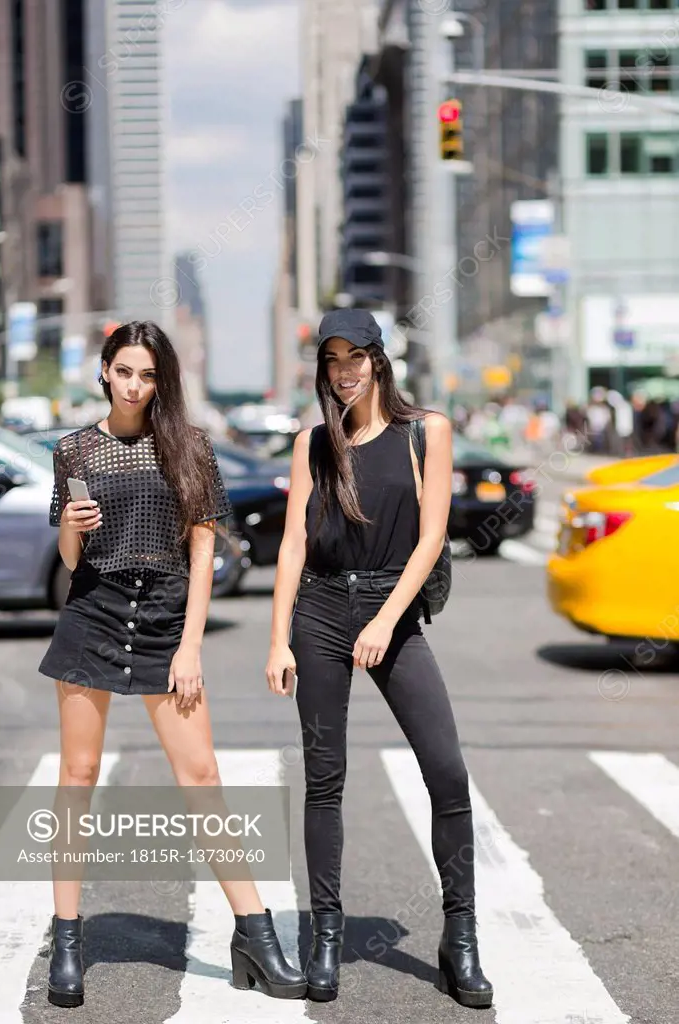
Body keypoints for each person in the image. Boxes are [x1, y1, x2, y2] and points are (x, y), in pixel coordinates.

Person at [39, 321, 306, 1008]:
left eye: (147, 374)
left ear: (162, 380)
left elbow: (200, 554)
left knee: (202, 776)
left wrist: (189, 646)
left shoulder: (188, 448)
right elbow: (71, 564)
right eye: (123, 371)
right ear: (104, 372)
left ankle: (255, 931)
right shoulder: (73, 450)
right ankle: (68, 936)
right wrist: (73, 529)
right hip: (93, 613)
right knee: (77, 776)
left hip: (163, 619)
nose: (134, 385)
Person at [265, 309, 493, 1008]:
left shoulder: (427, 432)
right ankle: (325, 935)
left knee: (447, 772)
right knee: (324, 778)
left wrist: (387, 621)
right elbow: (295, 546)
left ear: (379, 360)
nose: (344, 371)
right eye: (332, 360)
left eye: (355, 356)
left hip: (391, 611)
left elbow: (431, 540)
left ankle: (461, 938)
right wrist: (278, 636)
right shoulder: (314, 444)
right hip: (322, 613)